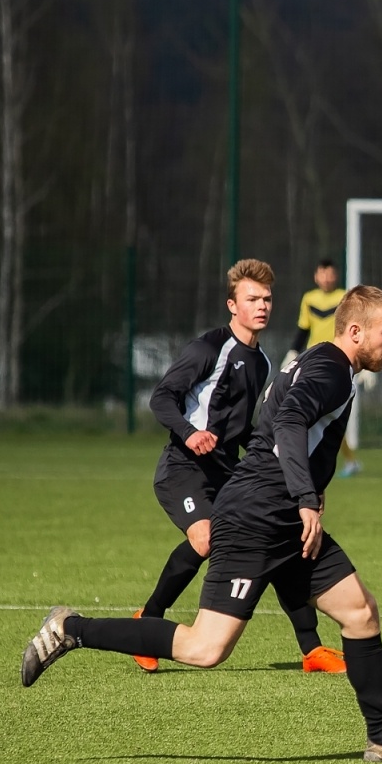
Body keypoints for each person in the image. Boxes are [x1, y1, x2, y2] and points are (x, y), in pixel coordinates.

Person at [21, 286, 382, 764]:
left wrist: (310, 490)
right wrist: (306, 496)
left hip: (283, 516)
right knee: (205, 648)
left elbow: (282, 430)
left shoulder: (320, 362)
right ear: (355, 331)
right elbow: (288, 423)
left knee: (361, 613)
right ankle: (71, 629)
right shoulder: (330, 368)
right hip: (258, 516)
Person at [140, 259, 344, 674]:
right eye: (252, 299)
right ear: (232, 305)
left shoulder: (265, 363)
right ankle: (148, 621)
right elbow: (162, 397)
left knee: (275, 540)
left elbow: (259, 428)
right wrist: (188, 432)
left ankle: (312, 650)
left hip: (227, 472)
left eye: (267, 299)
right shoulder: (207, 349)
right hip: (185, 467)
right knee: (207, 539)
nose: (262, 306)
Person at [290, 259, 363, 479]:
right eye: (323, 274)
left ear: (336, 276)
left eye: (330, 274)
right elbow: (303, 329)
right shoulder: (309, 298)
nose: (327, 278)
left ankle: (337, 462)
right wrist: (293, 353)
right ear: (316, 276)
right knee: (318, 415)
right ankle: (341, 462)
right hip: (312, 362)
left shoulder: (344, 297)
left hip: (337, 362)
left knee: (327, 415)